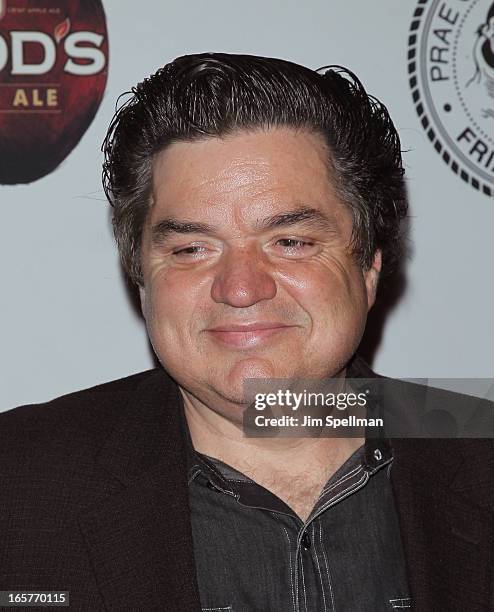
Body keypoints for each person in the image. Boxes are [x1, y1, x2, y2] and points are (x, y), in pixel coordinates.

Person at [1, 53, 493, 612]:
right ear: (141, 279)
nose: (239, 288)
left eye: (290, 242)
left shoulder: (482, 449)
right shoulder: (16, 483)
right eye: (191, 249)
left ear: (369, 267)